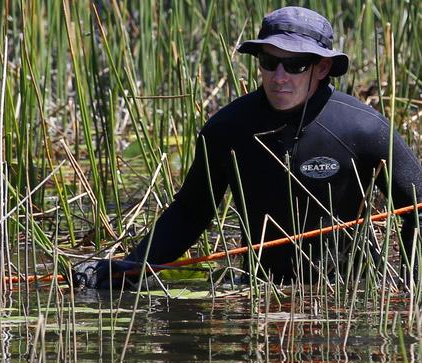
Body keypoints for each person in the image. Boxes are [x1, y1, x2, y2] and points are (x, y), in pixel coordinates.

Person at [74, 6, 422, 289]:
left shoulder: (363, 127)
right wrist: (130, 268)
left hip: (351, 293)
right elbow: (190, 213)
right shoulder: (228, 129)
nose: (279, 76)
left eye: (296, 64)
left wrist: (413, 287)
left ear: (323, 67)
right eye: (270, 62)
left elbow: (418, 207)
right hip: (262, 289)